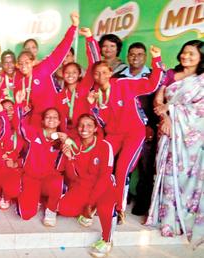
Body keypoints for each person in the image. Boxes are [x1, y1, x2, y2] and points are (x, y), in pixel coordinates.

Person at [87, 46, 163, 225]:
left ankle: (119, 209)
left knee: (122, 169)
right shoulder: (97, 95)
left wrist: (157, 59)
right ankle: (97, 201)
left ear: (111, 72)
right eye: (96, 74)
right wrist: (93, 106)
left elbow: (152, 84)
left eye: (104, 72)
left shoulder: (124, 83)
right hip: (113, 135)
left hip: (134, 134)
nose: (100, 77)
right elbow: (101, 122)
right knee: (101, 165)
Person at [146, 40, 204, 247]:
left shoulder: (202, 80)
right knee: (166, 172)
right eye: (184, 52)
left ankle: (184, 217)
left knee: (185, 176)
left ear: (201, 58)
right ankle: (167, 219)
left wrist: (173, 112)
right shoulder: (170, 74)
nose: (185, 56)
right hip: (169, 132)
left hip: (191, 138)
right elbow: (158, 101)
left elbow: (201, 110)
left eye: (192, 54)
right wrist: (166, 119)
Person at [58, 114, 117, 257]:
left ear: (95, 128)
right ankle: (88, 208)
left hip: (104, 186)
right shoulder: (74, 144)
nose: (84, 129)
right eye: (81, 125)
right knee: (64, 209)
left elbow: (104, 177)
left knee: (105, 208)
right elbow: (72, 176)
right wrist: (70, 159)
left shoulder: (104, 145)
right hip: (84, 186)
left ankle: (107, 240)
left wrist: (90, 203)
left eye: (89, 125)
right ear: (77, 128)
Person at [113, 42, 158, 216]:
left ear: (145, 56)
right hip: (122, 128)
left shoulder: (152, 76)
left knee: (145, 167)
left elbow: (156, 102)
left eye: (139, 54)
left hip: (145, 128)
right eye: (132, 54)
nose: (135, 57)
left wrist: (151, 126)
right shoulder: (117, 76)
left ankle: (143, 202)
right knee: (122, 165)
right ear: (128, 56)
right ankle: (121, 199)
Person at [14, 12, 79, 127]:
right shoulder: (21, 83)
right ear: (17, 65)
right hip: (38, 118)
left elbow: (60, 50)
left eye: (27, 62)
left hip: (56, 114)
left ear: (33, 62)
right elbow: (24, 106)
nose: (24, 66)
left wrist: (73, 27)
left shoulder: (42, 69)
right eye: (21, 63)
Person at [55, 27, 100, 135]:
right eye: (67, 72)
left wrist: (89, 39)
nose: (70, 75)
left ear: (79, 74)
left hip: (88, 131)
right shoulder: (60, 96)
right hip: (70, 134)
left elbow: (95, 63)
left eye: (74, 72)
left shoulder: (85, 85)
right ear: (63, 74)